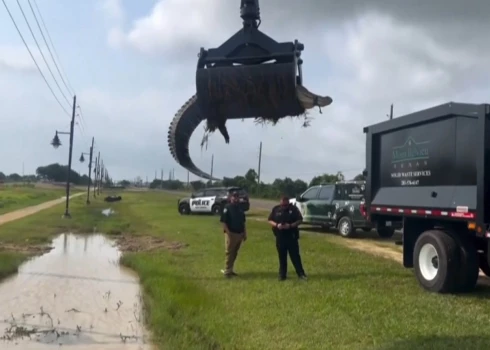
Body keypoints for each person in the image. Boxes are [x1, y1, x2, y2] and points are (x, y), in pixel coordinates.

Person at [268, 195, 307, 281]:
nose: (284, 207)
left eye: (285, 205)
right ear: (280, 203)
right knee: (282, 257)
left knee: (295, 257)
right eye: (282, 205)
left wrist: (290, 225)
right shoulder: (276, 209)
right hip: (280, 237)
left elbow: (300, 220)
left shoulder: (294, 210)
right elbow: (270, 220)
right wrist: (277, 225)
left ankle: (301, 274)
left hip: (291, 237)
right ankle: (282, 275)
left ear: (288, 203)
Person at [220, 191, 247, 278]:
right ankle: (227, 271)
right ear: (230, 198)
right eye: (234, 197)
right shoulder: (227, 207)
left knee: (235, 252)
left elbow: (243, 222)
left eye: (237, 197)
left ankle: (231, 270)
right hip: (231, 233)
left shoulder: (240, 208)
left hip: (239, 233)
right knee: (229, 252)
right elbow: (224, 222)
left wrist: (245, 233)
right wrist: (228, 233)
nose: (236, 198)